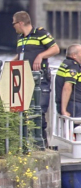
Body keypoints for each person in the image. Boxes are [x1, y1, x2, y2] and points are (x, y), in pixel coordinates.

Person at [12, 11, 60, 141]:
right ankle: (28, 140)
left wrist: (40, 56)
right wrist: (10, 64)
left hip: (40, 78)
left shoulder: (40, 33)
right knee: (25, 109)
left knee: (39, 109)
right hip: (24, 78)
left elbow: (55, 49)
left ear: (20, 23)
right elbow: (21, 55)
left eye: (14, 23)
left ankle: (41, 141)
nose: (13, 26)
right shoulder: (21, 38)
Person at [58, 44, 81, 118]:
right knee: (75, 128)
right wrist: (63, 110)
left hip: (72, 104)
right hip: (74, 104)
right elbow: (67, 87)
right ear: (74, 55)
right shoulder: (73, 66)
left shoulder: (65, 63)